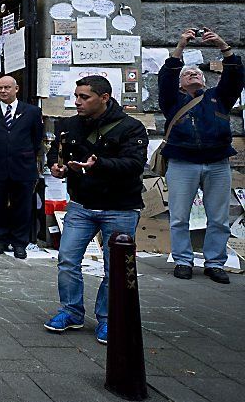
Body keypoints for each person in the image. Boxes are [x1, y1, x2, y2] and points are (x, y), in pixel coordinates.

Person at [44, 75, 147, 345]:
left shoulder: (131, 128)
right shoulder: (69, 126)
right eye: (76, 96)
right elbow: (57, 152)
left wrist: (98, 164)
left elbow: (134, 165)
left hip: (120, 207)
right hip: (81, 204)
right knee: (67, 260)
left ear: (104, 98)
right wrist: (57, 166)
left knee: (114, 267)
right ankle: (71, 311)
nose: (77, 102)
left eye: (84, 97)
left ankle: (108, 319)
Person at [159, 28, 243, 284]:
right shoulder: (172, 100)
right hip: (183, 163)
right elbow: (167, 75)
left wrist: (223, 45)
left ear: (206, 82)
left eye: (197, 72)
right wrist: (180, 45)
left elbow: (236, 75)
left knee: (218, 217)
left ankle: (215, 263)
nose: (193, 73)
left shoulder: (219, 97)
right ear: (181, 82)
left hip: (218, 163)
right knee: (179, 216)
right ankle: (183, 260)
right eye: (187, 73)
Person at [0, 75, 44, 259]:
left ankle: (19, 242)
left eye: (7, 87)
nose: (3, 91)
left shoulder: (31, 112)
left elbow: (36, 139)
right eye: (0, 88)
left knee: (22, 206)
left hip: (22, 166)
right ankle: (0, 239)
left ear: (16, 89)